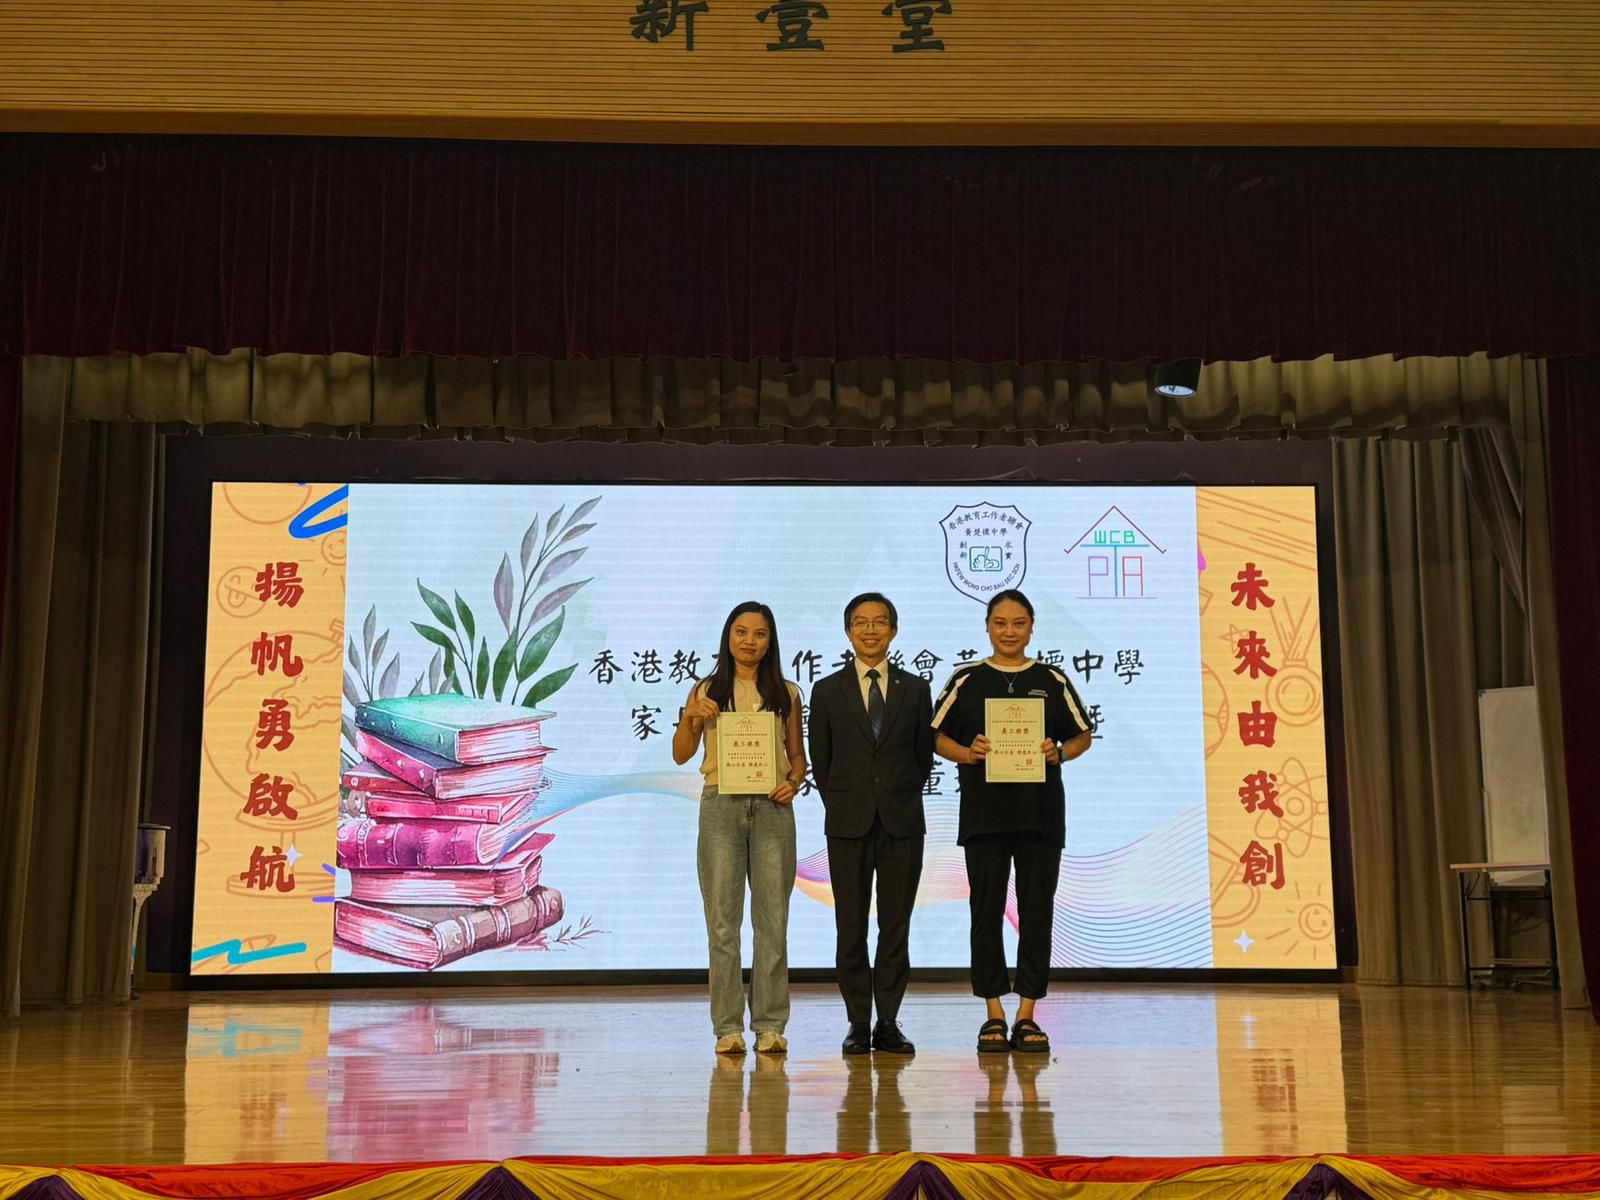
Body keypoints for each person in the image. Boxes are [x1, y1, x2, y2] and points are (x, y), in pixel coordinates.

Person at [932, 589, 1092, 1054]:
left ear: (1031, 627)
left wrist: (1059, 752)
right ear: (987, 627)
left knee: (1037, 912)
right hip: (984, 816)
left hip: (1040, 816)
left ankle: (1027, 1013)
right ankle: (993, 1013)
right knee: (985, 913)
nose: (1009, 631)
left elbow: (1082, 735)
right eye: (1000, 623)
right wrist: (968, 753)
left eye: (1018, 623)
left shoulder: (1051, 679)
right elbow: (935, 736)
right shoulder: (966, 678)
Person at [672, 601, 807, 1056]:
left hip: (772, 809)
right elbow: (680, 754)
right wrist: (691, 716)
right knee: (722, 924)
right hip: (721, 808)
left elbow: (798, 758)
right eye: (741, 632)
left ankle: (770, 1025)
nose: (750, 641)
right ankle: (727, 1028)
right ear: (728, 637)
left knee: (773, 922)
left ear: (771, 642)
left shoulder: (787, 692)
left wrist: (793, 782)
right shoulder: (705, 689)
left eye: (760, 634)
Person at [807, 593, 934, 1056]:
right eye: (861, 623)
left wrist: (894, 793)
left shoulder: (915, 688)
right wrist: (849, 801)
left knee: (896, 927)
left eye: (880, 622)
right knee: (851, 926)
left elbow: (923, 757)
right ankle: (858, 1022)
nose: (871, 630)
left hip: (902, 822)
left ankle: (889, 1022)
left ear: (894, 631)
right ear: (848, 632)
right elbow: (821, 760)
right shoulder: (827, 690)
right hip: (847, 822)